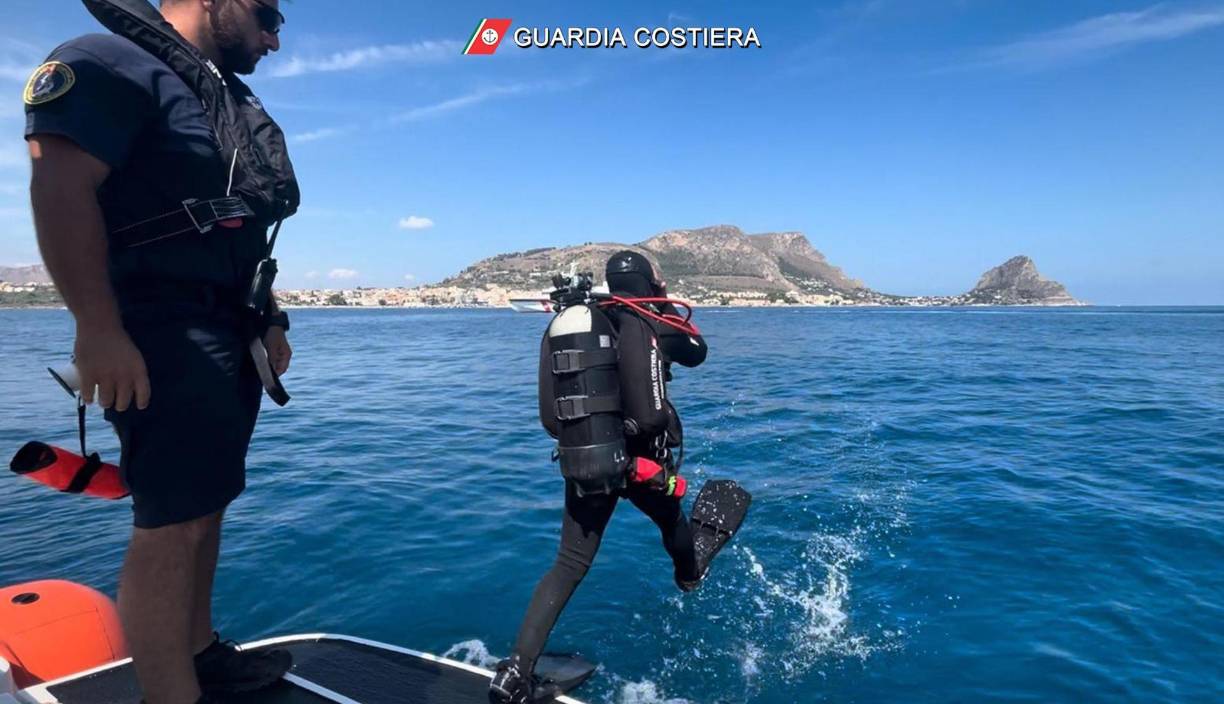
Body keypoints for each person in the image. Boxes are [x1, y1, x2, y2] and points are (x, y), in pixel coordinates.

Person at [24, 0, 299, 702]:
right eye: (267, 14)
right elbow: (58, 187)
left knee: (206, 503)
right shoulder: (106, 61)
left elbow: (232, 232)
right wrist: (99, 329)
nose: (274, 37)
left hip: (227, 329)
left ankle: (200, 652)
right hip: (160, 331)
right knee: (171, 522)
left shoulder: (214, 98)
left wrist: (270, 318)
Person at [489, 251, 712, 704]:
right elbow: (698, 353)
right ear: (651, 280)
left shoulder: (578, 322)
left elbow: (553, 420)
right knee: (673, 524)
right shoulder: (652, 322)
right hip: (644, 466)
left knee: (569, 563)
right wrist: (662, 305)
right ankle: (689, 576)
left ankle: (514, 671)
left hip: (589, 458)